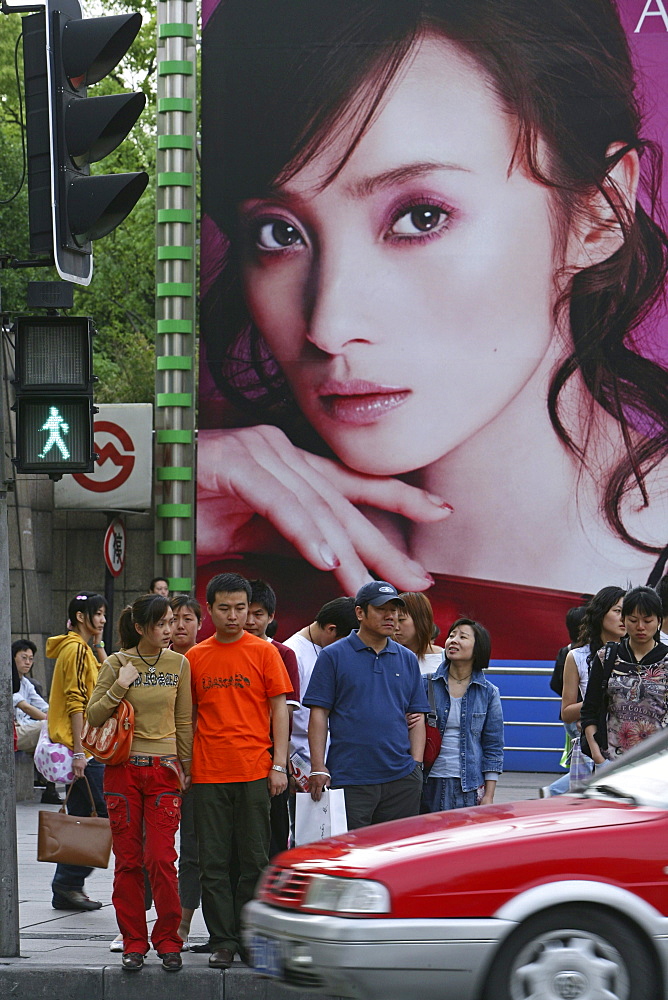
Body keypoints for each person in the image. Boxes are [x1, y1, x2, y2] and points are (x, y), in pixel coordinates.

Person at [196, 0, 668, 656]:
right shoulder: (216, 550)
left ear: (599, 211)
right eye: (279, 232)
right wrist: (158, 519)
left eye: (420, 216)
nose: (329, 325)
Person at [187, 572, 292, 969]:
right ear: (209, 610)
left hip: (254, 770)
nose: (234, 616)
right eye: (225, 608)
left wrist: (278, 764)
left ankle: (250, 937)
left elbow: (279, 710)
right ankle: (223, 940)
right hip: (208, 772)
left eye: (241, 608)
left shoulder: (265, 653)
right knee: (212, 863)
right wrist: (185, 765)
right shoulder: (196, 657)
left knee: (255, 859)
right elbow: (190, 716)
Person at [87, 594, 193, 973]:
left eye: (173, 623)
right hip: (123, 771)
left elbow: (184, 722)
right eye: (163, 624)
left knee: (161, 858)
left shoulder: (179, 664)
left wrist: (188, 768)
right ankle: (134, 942)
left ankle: (168, 941)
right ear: (140, 627)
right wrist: (119, 685)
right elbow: (93, 714)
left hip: (164, 772)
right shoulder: (117, 662)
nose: (171, 630)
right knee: (128, 862)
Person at [305, 581, 429, 829]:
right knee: (350, 855)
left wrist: (415, 766)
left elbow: (417, 716)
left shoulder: (406, 658)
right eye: (382, 609)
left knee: (396, 854)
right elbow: (319, 714)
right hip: (351, 777)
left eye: (394, 610)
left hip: (401, 779)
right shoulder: (333, 655)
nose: (390, 616)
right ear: (360, 613)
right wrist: (318, 766)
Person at [46, 592, 108, 911]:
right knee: (100, 814)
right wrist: (80, 752)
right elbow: (76, 701)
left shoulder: (80, 648)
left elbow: (105, 674)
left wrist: (97, 643)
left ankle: (69, 885)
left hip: (84, 746)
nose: (103, 620)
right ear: (82, 617)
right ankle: (68, 883)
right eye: (98, 614)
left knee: (87, 817)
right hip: (83, 748)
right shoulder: (75, 650)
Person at [421, 618, 503, 812]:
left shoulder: (488, 692)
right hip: (426, 783)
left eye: (462, 637)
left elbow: (493, 746)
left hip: (468, 787)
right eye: (451, 635)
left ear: (478, 647)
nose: (453, 640)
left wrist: (488, 796)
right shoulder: (425, 684)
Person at [244, 579, 300, 857]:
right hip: (231, 759)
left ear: (271, 617)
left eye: (259, 614)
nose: (251, 621)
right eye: (247, 612)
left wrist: (279, 765)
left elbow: (285, 714)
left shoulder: (283, 654)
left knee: (275, 835)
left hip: (269, 756)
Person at [582, 586, 668, 766]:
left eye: (648, 620)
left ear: (659, 621)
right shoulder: (606, 657)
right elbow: (589, 711)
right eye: (633, 620)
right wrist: (599, 758)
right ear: (624, 619)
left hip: (658, 766)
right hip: (612, 763)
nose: (641, 627)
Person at [166, 595, 203, 950]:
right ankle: (136, 921)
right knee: (152, 848)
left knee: (193, 849)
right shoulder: (153, 661)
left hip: (196, 768)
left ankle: (184, 923)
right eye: (172, 618)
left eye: (187, 618)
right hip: (157, 765)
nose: (179, 625)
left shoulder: (204, 659)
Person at [282, 597, 358, 773]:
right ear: (331, 629)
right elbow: (285, 716)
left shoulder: (328, 650)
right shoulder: (292, 653)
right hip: (302, 761)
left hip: (334, 759)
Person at [541, 604, 588, 797]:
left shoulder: (565, 652)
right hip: (579, 715)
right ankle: (555, 791)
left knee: (582, 762)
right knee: (585, 764)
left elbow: (554, 683)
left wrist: (569, 696)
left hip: (569, 716)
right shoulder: (578, 655)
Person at [11, 639, 61, 804]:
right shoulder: (7, 680)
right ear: (12, 658)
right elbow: (26, 707)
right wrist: (54, 721)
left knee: (50, 731)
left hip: (24, 730)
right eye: (23, 657)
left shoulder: (26, 683)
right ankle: (50, 788)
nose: (27, 662)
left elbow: (43, 706)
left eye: (31, 659)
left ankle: (50, 788)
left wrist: (58, 717)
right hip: (12, 733)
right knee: (48, 727)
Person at [394, 592, 444, 674]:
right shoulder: (387, 657)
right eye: (392, 620)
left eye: (401, 620)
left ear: (420, 619)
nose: (396, 627)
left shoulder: (445, 658)